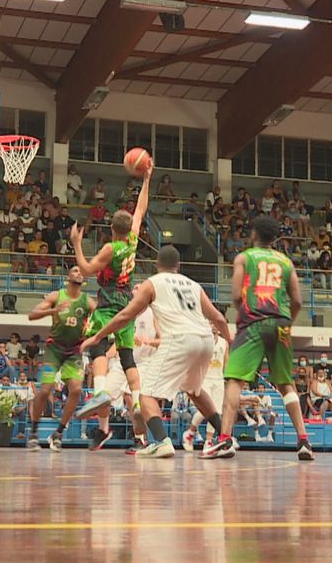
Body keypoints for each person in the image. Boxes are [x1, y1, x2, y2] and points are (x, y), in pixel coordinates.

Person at [81, 245, 231, 458]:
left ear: (156, 265)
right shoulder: (193, 284)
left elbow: (125, 316)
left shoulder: (153, 283)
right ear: (178, 266)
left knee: (145, 395)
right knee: (194, 390)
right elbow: (217, 318)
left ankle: (161, 442)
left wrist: (98, 336)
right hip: (206, 340)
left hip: (179, 339)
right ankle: (225, 438)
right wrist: (231, 340)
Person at [201, 216, 311, 460]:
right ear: (275, 238)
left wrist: (244, 317)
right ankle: (304, 441)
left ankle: (224, 439)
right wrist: (287, 323)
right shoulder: (286, 262)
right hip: (281, 323)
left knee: (234, 381)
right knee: (286, 384)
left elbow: (237, 296)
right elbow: (298, 301)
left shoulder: (245, 257)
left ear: (253, 234)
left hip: (253, 322)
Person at [70, 162, 153, 451]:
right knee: (128, 356)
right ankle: (139, 397)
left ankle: (102, 392)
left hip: (107, 302)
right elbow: (141, 209)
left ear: (111, 228)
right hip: (126, 305)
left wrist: (76, 244)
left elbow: (86, 269)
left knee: (97, 346)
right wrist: (146, 179)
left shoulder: (111, 248)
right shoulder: (133, 240)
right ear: (129, 228)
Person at [26, 266, 95, 451]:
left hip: (74, 351)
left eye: (81, 271)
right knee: (45, 389)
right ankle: (33, 432)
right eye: (75, 270)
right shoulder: (56, 296)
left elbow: (100, 319)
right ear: (68, 276)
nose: (79, 273)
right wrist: (52, 311)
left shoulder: (87, 301)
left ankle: (58, 432)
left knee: (76, 390)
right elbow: (31, 315)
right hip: (54, 349)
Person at [182, 324, 227, 451]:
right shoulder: (203, 341)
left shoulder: (224, 343)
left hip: (218, 380)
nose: (213, 326)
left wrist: (226, 378)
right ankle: (190, 432)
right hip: (205, 378)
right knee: (205, 410)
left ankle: (208, 441)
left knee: (216, 412)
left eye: (215, 324)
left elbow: (226, 362)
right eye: (211, 323)